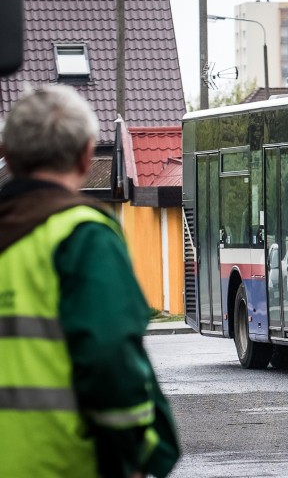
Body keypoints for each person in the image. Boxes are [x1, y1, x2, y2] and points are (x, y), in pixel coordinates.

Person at [0, 86, 180, 477]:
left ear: (8, 155)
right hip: (61, 463)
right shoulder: (81, 235)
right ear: (86, 156)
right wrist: (140, 450)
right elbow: (109, 356)